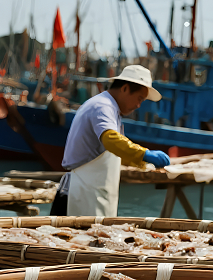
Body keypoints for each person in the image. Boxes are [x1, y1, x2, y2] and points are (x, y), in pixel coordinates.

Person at [53, 65, 171, 217]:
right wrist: (145, 154)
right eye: (139, 99)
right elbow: (111, 140)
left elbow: (113, 153)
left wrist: (143, 163)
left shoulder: (110, 109)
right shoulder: (103, 106)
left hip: (91, 192)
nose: (138, 105)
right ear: (125, 88)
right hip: (82, 193)